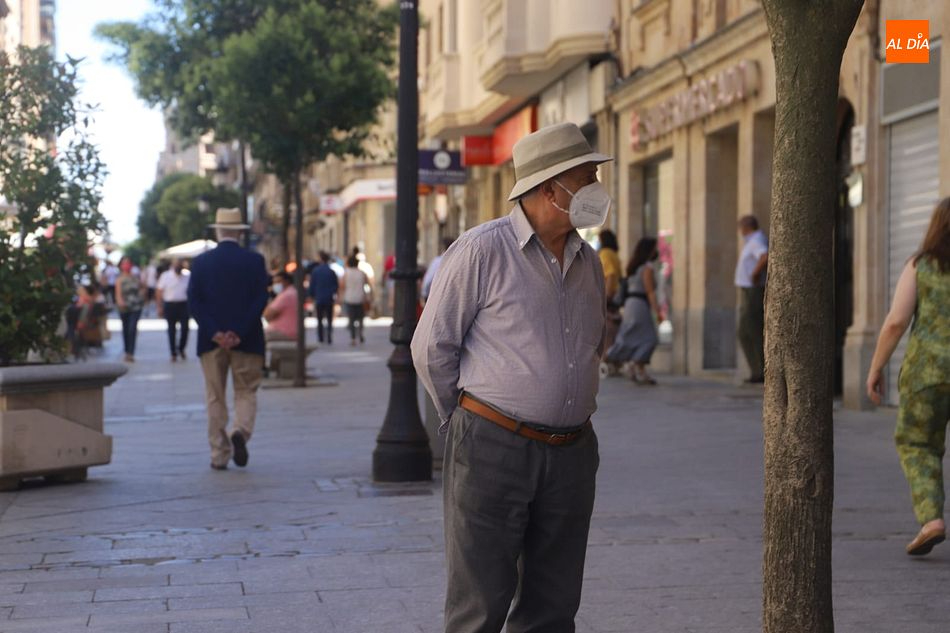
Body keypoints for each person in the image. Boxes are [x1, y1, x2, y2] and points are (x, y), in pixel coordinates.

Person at [412, 122, 610, 632]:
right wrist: (463, 419)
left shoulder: (589, 262)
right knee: (479, 604)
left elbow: (593, 342)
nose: (597, 189)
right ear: (551, 189)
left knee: (554, 605)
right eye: (587, 177)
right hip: (493, 447)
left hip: (572, 451)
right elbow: (432, 346)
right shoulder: (481, 251)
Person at [867, 197, 950, 556]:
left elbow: (896, 322)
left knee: (917, 444)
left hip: (927, 374)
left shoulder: (921, 265)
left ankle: (931, 520)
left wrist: (876, 367)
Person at [188, 208, 269, 471]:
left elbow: (194, 302)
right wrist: (238, 331)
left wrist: (216, 332)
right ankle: (240, 431)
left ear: (218, 231)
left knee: (215, 396)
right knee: (246, 390)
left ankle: (219, 454)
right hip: (247, 340)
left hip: (211, 343)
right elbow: (260, 300)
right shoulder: (254, 261)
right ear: (239, 231)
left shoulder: (201, 263)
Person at [605, 237, 662, 384]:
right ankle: (636, 365)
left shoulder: (634, 268)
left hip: (630, 306)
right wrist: (657, 312)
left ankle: (632, 365)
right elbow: (650, 292)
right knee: (649, 338)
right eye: (655, 248)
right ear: (649, 250)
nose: (657, 251)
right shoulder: (647, 268)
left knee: (630, 334)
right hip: (640, 305)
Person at [735, 215, 768, 383]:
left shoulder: (756, 240)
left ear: (747, 227)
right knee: (745, 331)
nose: (740, 231)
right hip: (748, 290)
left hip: (753, 290)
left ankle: (760, 370)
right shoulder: (753, 240)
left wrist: (755, 273)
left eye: (741, 227)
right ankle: (757, 370)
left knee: (751, 330)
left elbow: (764, 256)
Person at [156, 259, 191, 362]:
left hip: (184, 305)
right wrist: (160, 306)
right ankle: (173, 352)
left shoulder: (188, 275)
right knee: (171, 330)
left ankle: (181, 348)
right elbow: (159, 291)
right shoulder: (165, 276)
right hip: (170, 305)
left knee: (185, 328)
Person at [598, 229, 623, 360]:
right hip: (616, 297)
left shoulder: (605, 254)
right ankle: (612, 359)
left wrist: (606, 296)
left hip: (608, 297)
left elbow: (611, 275)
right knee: (613, 330)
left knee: (606, 331)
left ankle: (606, 359)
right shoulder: (614, 254)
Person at [115, 256, 144, 363]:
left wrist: (142, 295)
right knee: (126, 329)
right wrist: (120, 302)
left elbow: (142, 288)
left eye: (128, 263)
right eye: (124, 263)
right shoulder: (119, 279)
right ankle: (127, 351)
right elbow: (117, 294)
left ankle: (131, 352)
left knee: (132, 329)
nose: (126, 265)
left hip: (136, 306)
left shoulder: (135, 277)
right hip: (124, 307)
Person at [309, 252, 339, 344]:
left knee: (319, 318)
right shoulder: (331, 271)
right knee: (329, 318)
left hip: (319, 298)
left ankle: (321, 337)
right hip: (329, 298)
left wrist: (311, 295)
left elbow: (312, 285)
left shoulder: (316, 271)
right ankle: (329, 335)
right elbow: (335, 285)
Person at [339, 255, 369, 346]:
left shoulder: (346, 273)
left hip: (350, 298)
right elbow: (366, 283)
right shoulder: (362, 273)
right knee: (360, 318)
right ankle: (360, 333)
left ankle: (353, 338)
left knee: (351, 319)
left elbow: (342, 286)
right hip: (360, 297)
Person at [263, 270, 298, 342]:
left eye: (278, 282)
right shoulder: (292, 292)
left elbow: (267, 315)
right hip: (289, 331)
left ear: (286, 281)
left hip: (284, 332)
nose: (275, 285)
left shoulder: (286, 295)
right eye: (274, 282)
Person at [421, 237, 456, 304]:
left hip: (435, 297)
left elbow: (428, 280)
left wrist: (425, 294)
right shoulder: (455, 261)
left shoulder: (438, 261)